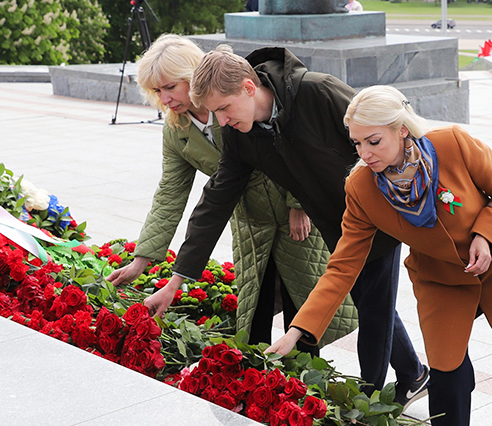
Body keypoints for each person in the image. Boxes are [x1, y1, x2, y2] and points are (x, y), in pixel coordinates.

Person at [267, 86, 492, 426]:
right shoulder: (361, 188)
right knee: (447, 372)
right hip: (440, 279)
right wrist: (297, 330)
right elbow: (343, 266)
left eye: (373, 141)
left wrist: (485, 234)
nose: (364, 153)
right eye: (357, 143)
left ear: (402, 129)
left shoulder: (452, 144)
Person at [144, 45, 429, 406]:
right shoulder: (238, 131)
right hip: (335, 225)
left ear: (249, 87)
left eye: (224, 109)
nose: (222, 120)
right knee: (368, 300)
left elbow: (381, 131)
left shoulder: (317, 91)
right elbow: (216, 199)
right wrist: (177, 280)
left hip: (377, 216)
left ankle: (370, 404)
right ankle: (413, 377)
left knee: (372, 311)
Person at [107, 34, 357, 352]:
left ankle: (309, 391)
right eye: (157, 91)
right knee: (255, 315)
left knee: (307, 307)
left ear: (192, 76)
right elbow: (171, 193)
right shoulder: (176, 130)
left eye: (170, 86)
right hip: (249, 221)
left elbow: (292, 141)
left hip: (294, 213)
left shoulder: (235, 102)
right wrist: (141, 260)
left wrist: (299, 204)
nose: (164, 98)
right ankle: (269, 390)